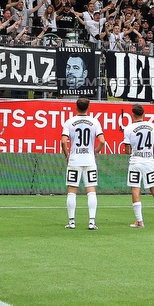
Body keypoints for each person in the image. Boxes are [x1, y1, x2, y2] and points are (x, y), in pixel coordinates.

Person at [61, 96, 105, 230]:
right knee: (91, 191)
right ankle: (91, 222)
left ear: (76, 107)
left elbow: (63, 141)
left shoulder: (69, 122)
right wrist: (95, 151)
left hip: (75, 159)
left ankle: (72, 221)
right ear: (88, 108)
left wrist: (67, 154)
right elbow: (102, 141)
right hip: (89, 160)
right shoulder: (94, 122)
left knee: (72, 191)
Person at [123, 103, 154, 228]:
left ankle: (140, 221)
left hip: (135, 162)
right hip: (149, 161)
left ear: (133, 115)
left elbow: (127, 150)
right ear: (143, 114)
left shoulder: (128, 128)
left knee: (135, 190)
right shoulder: (151, 126)